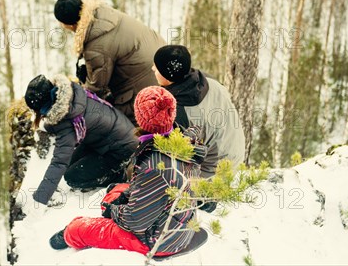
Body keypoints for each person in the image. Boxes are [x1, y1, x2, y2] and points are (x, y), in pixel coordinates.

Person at [48, 86, 207, 256]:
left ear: (140, 118)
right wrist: (123, 198)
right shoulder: (183, 141)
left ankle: (71, 234)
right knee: (116, 191)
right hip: (178, 222)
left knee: (76, 229)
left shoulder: (154, 162)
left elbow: (135, 222)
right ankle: (114, 206)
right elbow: (156, 186)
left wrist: (114, 211)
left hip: (158, 240)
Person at [24, 74, 138, 205]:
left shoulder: (66, 121)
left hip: (122, 149)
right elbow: (59, 121)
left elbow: (59, 162)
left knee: (72, 178)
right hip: (113, 136)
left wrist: (40, 198)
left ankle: (122, 174)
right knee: (72, 164)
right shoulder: (70, 93)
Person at [54, 0, 166, 123]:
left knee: (118, 124)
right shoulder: (104, 14)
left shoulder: (95, 44)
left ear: (68, 25)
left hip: (147, 86)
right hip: (162, 65)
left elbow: (96, 89)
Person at [152, 45, 245, 177]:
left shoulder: (179, 111)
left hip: (215, 172)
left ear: (167, 76)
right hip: (236, 153)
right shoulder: (207, 81)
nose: (152, 69)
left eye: (156, 68)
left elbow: (181, 156)